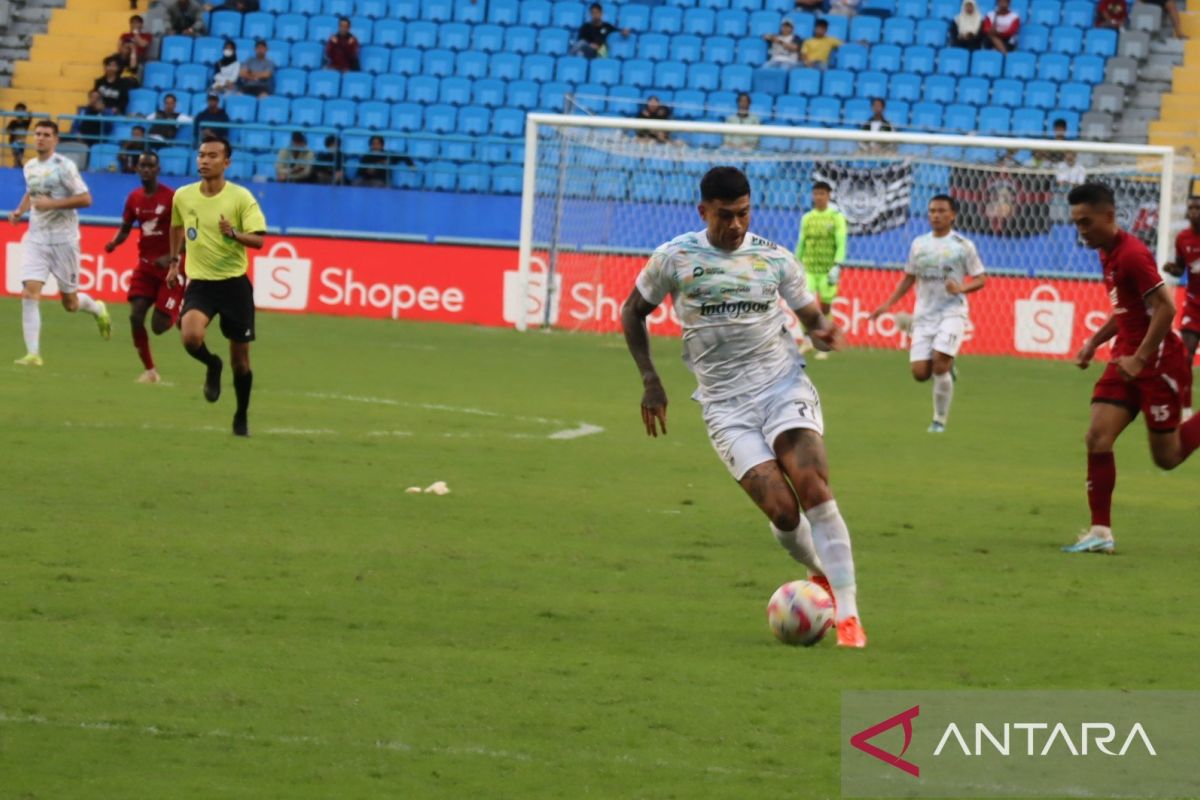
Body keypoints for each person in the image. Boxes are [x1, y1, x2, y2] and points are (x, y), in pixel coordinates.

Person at [620, 166, 867, 648]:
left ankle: (850, 615)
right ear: (703, 211)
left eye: (743, 214)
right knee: (782, 511)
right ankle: (820, 572)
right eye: (725, 215)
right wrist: (651, 378)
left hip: (783, 387)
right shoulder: (675, 258)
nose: (735, 225)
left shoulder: (773, 258)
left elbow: (810, 313)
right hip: (724, 405)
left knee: (812, 484)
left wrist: (821, 328)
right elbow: (633, 310)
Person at [1065, 182, 1200, 553]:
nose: (1081, 231)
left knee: (1168, 457)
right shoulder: (1106, 253)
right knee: (1097, 437)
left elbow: (1166, 308)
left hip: (1156, 362)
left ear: (1108, 216)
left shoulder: (1132, 255)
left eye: (1086, 222)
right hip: (1126, 357)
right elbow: (1126, 308)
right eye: (1077, 223)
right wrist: (1095, 341)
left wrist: (1141, 358)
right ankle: (1100, 532)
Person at [167, 136, 267, 436]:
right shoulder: (183, 196)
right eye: (200, 155)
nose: (204, 161)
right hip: (201, 284)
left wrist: (233, 233)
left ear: (226, 162)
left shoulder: (240, 197)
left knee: (241, 362)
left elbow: (259, 239)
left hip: (234, 285)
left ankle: (241, 416)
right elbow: (176, 226)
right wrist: (174, 262)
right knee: (190, 337)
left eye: (212, 156)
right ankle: (212, 364)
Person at [869, 195, 986, 433]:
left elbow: (981, 278)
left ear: (952, 214)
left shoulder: (963, 246)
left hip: (952, 311)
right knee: (921, 373)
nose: (936, 215)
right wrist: (887, 304)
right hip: (923, 314)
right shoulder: (919, 244)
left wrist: (961, 288)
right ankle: (948, 368)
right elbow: (909, 278)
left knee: (939, 365)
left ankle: (938, 420)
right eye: (932, 211)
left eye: (941, 211)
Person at [5, 120, 111, 366]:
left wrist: (51, 204)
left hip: (64, 241)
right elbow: (33, 192)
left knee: (70, 303)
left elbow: (85, 199)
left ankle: (97, 309)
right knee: (30, 292)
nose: (40, 138)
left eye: (46, 135)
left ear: (56, 140)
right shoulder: (29, 165)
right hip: (36, 238)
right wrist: (20, 210)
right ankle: (33, 354)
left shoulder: (65, 167)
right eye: (38, 134)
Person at [105, 151, 184, 383]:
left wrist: (171, 256)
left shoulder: (172, 198)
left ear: (158, 169)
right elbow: (126, 228)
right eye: (142, 166)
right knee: (135, 316)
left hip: (171, 268)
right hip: (146, 267)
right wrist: (113, 243)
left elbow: (189, 234)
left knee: (159, 326)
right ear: (137, 169)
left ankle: (179, 309)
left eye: (151, 166)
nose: (146, 169)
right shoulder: (134, 198)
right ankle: (150, 371)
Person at [795, 181, 847, 360]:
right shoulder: (807, 218)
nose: (819, 197)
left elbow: (841, 242)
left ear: (829, 195)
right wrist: (796, 263)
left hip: (827, 269)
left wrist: (837, 264)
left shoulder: (836, 217)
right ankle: (807, 340)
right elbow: (801, 242)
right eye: (816, 193)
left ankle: (825, 342)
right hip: (809, 268)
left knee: (825, 307)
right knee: (805, 304)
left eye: (822, 194)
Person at [1162, 196, 1200, 396]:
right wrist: (1173, 269)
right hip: (1194, 306)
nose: (1194, 212)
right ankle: (1184, 406)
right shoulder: (1182, 238)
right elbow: (1181, 269)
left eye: (1198, 208)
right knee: (1186, 355)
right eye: (1191, 208)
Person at [6, 103, 30, 167]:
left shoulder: (25, 122)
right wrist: (12, 131)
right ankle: (19, 165)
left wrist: (29, 114)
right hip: (14, 141)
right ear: (15, 112)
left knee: (20, 155)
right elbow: (8, 129)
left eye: (22, 110)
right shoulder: (13, 122)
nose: (20, 112)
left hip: (22, 141)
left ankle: (17, 165)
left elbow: (30, 117)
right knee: (16, 154)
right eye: (18, 110)